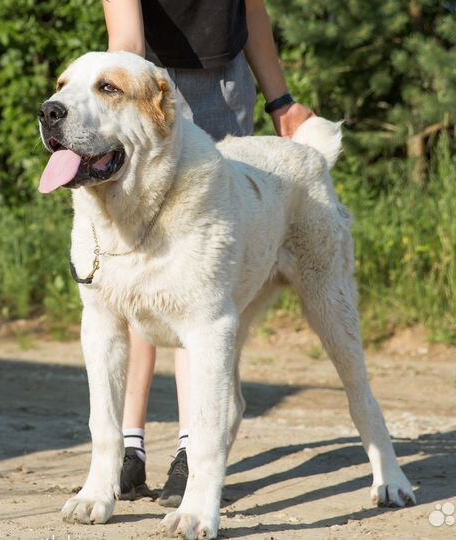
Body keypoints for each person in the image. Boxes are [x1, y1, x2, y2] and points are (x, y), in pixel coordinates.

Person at [102, 0, 314, 507]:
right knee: (139, 267)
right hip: (149, 91)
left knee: (196, 283)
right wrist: (114, 102)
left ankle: (191, 449)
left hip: (224, 85)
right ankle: (127, 450)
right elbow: (127, 43)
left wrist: (280, 99)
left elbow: (251, 10)